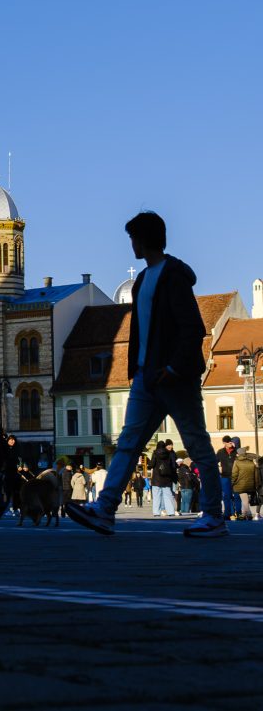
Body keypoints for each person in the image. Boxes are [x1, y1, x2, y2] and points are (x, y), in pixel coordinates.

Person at [67, 211, 226, 538]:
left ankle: (212, 516)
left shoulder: (173, 276)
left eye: (133, 238)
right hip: (146, 377)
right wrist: (137, 371)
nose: (131, 245)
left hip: (174, 378)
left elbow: (192, 328)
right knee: (128, 443)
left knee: (197, 445)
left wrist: (173, 368)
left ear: (144, 239)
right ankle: (105, 509)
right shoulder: (142, 280)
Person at [231, 448, 260, 522]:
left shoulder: (237, 462)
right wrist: (256, 484)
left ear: (238, 454)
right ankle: (244, 514)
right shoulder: (251, 462)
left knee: (244, 501)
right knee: (246, 500)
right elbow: (256, 475)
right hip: (251, 485)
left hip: (241, 485)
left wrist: (232, 482)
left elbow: (234, 474)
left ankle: (249, 514)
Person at [150, 440, 178, 517]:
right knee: (168, 495)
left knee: (156, 496)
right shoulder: (169, 453)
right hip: (167, 478)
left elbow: (151, 464)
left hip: (156, 478)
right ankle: (170, 512)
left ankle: (156, 512)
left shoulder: (155, 453)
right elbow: (173, 465)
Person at [216, 436, 238, 519]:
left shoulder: (236, 451)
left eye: (230, 442)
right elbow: (215, 461)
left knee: (236, 495)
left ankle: (236, 513)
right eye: (228, 442)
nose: (230, 444)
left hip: (235, 476)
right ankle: (227, 513)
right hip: (225, 476)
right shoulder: (220, 452)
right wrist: (218, 468)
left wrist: (237, 448)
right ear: (224, 443)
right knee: (226, 496)